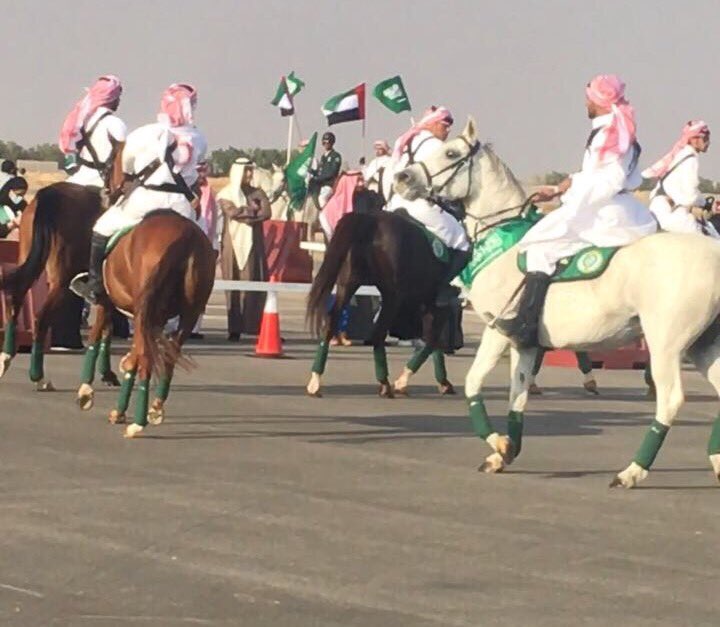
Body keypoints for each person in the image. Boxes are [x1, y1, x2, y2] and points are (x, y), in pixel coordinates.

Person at [495, 74, 657, 348]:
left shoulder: (608, 134)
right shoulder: (613, 130)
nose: (585, 103)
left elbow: (608, 180)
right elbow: (591, 175)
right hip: (619, 208)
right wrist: (558, 189)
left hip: (603, 212)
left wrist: (571, 200)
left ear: (599, 101)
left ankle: (526, 326)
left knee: (540, 248)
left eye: (588, 99)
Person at [74, 83, 207, 305]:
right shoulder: (199, 138)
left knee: (101, 228)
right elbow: (196, 174)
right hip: (181, 205)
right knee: (204, 242)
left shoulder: (146, 133)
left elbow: (126, 167)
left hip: (146, 200)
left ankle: (95, 284)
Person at [388, 105, 470, 305]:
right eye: (444, 124)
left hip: (393, 203)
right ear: (432, 124)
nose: (448, 129)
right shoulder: (436, 146)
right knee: (463, 242)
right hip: (418, 205)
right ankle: (441, 287)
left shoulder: (407, 142)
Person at [217, 157, 271, 340]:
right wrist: (253, 209)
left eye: (251, 170)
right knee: (232, 283)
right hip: (231, 243)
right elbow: (231, 212)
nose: (249, 174)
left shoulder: (258, 192)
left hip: (254, 243)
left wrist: (245, 212)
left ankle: (254, 326)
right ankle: (234, 328)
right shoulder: (226, 193)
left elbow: (266, 213)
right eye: (246, 170)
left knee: (255, 281)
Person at [643, 121, 719, 238]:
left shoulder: (680, 155)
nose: (708, 142)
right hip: (672, 218)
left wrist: (706, 203)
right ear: (694, 140)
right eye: (705, 138)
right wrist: (705, 205)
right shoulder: (691, 159)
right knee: (713, 238)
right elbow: (690, 196)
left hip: (657, 210)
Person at [59, 75, 126, 188]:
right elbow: (123, 160)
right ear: (111, 98)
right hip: (99, 182)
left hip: (77, 178)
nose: (119, 101)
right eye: (117, 97)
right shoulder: (116, 123)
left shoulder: (80, 120)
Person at [308, 131, 342, 208]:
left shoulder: (336, 156)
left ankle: (324, 215)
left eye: (328, 143)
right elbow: (320, 171)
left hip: (329, 185)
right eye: (324, 143)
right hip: (319, 184)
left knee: (321, 199)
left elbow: (332, 172)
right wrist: (312, 171)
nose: (326, 145)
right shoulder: (323, 157)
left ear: (332, 143)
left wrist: (318, 178)